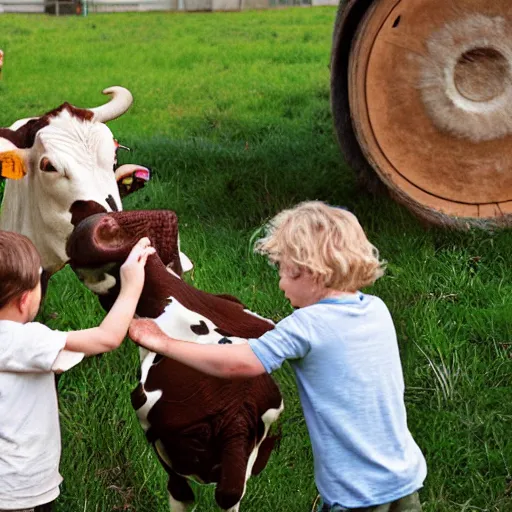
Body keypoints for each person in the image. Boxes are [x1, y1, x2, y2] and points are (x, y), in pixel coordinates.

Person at [128, 200, 427, 512]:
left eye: (283, 271)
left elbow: (239, 363)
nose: (281, 284)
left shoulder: (307, 326)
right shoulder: (376, 309)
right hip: (404, 474)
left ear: (310, 272)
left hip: (356, 491)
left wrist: (163, 342)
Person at [0, 231, 155, 512]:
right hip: (19, 488)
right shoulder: (26, 340)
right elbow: (107, 337)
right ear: (25, 300)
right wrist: (131, 285)